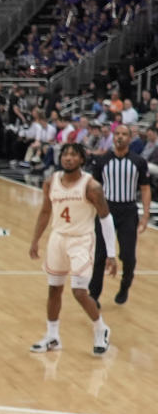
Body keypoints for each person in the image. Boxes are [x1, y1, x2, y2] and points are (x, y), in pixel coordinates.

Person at [29, 144, 117, 354]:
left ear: (81, 160)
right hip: (58, 238)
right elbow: (44, 212)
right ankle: (52, 336)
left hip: (82, 240)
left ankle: (101, 329)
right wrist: (35, 240)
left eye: (73, 155)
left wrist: (112, 254)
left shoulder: (91, 186)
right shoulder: (51, 182)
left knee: (79, 291)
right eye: (65, 154)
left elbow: (106, 218)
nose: (68, 158)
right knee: (54, 289)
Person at [88, 124, 152, 305]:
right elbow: (94, 187)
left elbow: (145, 188)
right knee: (100, 255)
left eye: (124, 134)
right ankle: (94, 295)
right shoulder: (102, 161)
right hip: (105, 211)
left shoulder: (138, 161)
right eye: (117, 134)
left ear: (130, 138)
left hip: (128, 212)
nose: (120, 137)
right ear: (113, 137)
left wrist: (145, 215)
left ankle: (125, 286)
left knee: (128, 256)